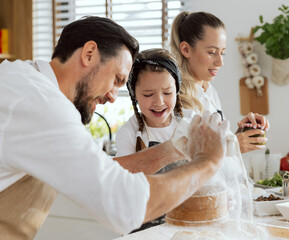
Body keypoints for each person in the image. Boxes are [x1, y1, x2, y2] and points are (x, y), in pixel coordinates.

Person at [0, 16, 229, 239]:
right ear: (89, 54)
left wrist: (172, 149)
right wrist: (208, 162)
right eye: (117, 79)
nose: (111, 97)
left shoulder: (24, 80)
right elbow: (126, 204)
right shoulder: (41, 105)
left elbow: (103, 171)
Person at [170, 11, 270, 153]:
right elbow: (180, 159)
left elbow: (216, 153)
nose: (220, 62)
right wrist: (230, 146)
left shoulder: (209, 91)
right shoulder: (173, 96)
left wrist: (238, 137)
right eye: (212, 52)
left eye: (222, 52)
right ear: (186, 49)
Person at [115, 48, 194, 173]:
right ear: (134, 94)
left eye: (167, 92)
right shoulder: (128, 134)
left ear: (177, 90)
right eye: (148, 94)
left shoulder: (191, 121)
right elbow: (126, 180)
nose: (159, 102)